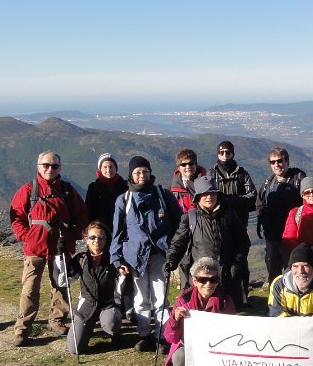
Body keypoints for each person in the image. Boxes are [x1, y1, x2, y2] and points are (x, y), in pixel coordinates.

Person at [10, 151, 89, 346]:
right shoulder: (29, 190)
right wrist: (27, 237)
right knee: (29, 289)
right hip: (34, 248)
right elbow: (17, 217)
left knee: (61, 285)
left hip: (60, 247)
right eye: (46, 165)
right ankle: (22, 328)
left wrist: (72, 235)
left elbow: (82, 216)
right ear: (38, 166)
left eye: (54, 166)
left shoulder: (68, 191)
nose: (49, 169)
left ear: (60, 168)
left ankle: (57, 320)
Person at [110, 156, 181, 349]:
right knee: (140, 299)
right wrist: (117, 260)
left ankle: (162, 336)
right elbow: (117, 233)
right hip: (135, 258)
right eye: (137, 172)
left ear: (150, 173)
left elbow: (179, 224)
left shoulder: (163, 195)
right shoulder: (123, 200)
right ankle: (144, 335)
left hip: (160, 255)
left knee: (161, 298)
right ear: (131, 175)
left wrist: (175, 250)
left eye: (145, 171)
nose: (142, 175)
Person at [163, 256, 238, 366]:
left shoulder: (226, 301)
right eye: (203, 279)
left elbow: (233, 336)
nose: (208, 284)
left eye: (213, 279)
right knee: (179, 355)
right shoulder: (183, 300)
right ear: (194, 280)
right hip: (191, 351)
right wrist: (175, 319)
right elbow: (170, 337)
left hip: (218, 355)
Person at [164, 177, 250, 309]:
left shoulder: (229, 214)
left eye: (212, 193)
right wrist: (170, 261)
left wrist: (236, 265)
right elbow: (178, 243)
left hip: (227, 276)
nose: (209, 197)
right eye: (204, 194)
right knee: (202, 311)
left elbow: (243, 242)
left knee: (227, 311)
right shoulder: (190, 218)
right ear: (198, 197)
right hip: (202, 278)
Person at [65, 221, 122, 354]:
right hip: (86, 307)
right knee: (75, 350)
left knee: (111, 323)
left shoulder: (113, 260)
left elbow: (123, 286)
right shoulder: (80, 259)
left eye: (101, 237)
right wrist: (60, 256)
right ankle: (86, 329)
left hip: (107, 305)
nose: (97, 241)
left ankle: (114, 331)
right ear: (86, 239)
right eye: (92, 237)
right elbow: (63, 281)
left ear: (106, 240)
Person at [209, 140, 257, 301]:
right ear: (217, 154)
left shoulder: (242, 173)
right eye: (221, 152)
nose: (224, 155)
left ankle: (243, 297)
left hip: (239, 224)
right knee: (221, 261)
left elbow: (252, 196)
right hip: (219, 225)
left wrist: (232, 201)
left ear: (233, 154)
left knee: (240, 260)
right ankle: (221, 296)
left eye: (227, 152)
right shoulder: (211, 174)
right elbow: (207, 195)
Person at [255, 147, 306, 283]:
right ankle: (275, 302)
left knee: (295, 273)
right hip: (273, 237)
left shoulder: (298, 180)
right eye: (273, 162)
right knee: (273, 273)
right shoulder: (268, 183)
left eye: (279, 161)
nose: (276, 164)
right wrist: (265, 219)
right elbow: (259, 203)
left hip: (293, 237)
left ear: (287, 161)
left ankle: (294, 302)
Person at [85, 153, 128, 226]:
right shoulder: (93, 188)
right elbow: (88, 211)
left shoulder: (126, 186)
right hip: (100, 229)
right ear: (100, 169)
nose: (108, 170)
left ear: (116, 168)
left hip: (122, 227)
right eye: (105, 167)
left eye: (111, 166)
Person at [169, 148, 206, 213]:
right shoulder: (174, 191)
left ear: (196, 165)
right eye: (183, 164)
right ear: (178, 168)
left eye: (191, 163)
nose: (188, 167)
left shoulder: (207, 184)